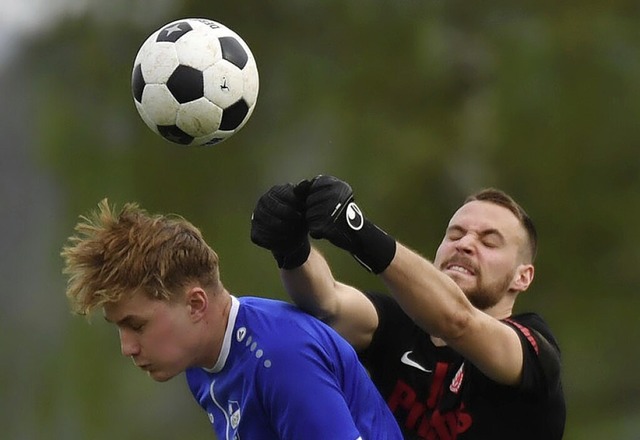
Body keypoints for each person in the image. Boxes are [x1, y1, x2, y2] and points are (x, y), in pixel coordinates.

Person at [250, 175, 566, 440]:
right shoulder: (397, 324)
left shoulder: (534, 350)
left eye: (489, 241)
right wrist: (291, 248)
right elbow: (326, 303)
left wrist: (358, 232)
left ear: (522, 277)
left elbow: (458, 321)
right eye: (455, 234)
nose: (465, 243)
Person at [61, 199, 403, 440]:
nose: (127, 348)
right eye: (119, 327)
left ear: (196, 304)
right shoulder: (199, 360)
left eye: (136, 325)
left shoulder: (282, 361)